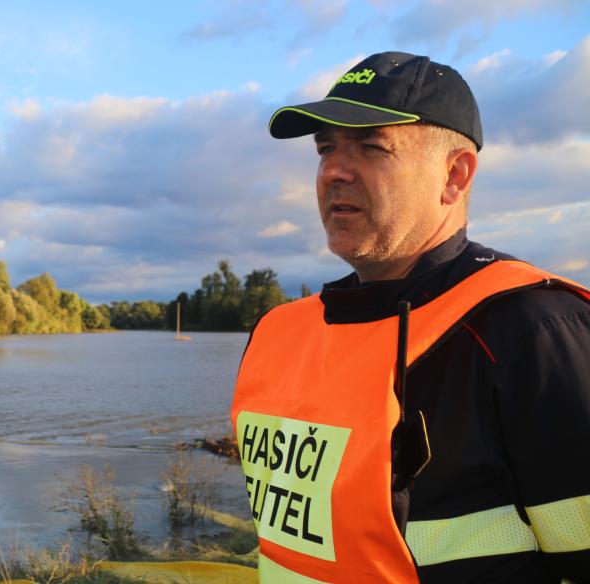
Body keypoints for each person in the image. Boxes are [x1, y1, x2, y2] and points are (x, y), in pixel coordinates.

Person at [230, 51, 590, 582]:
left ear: (455, 175)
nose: (332, 170)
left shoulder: (531, 331)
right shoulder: (276, 333)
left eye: (372, 147)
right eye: (325, 148)